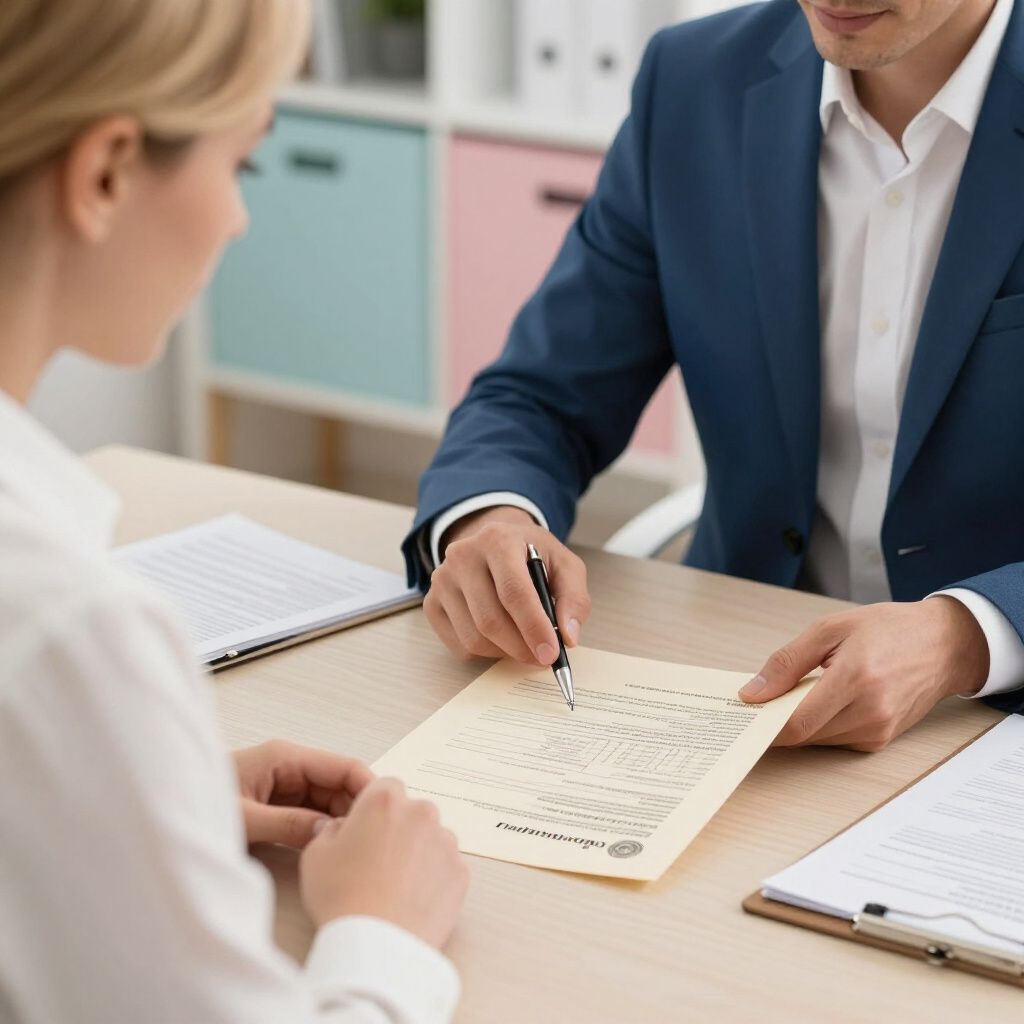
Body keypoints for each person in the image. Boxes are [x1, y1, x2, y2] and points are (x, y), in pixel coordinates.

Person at [0, 2, 467, 1021]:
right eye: (242, 165)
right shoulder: (69, 627)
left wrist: (130, 795)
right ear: (107, 172)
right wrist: (380, 933)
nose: (239, 218)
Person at [407, 0, 1024, 752]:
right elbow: (540, 393)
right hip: (739, 689)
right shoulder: (695, 82)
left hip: (990, 720)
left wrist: (968, 634)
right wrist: (489, 521)